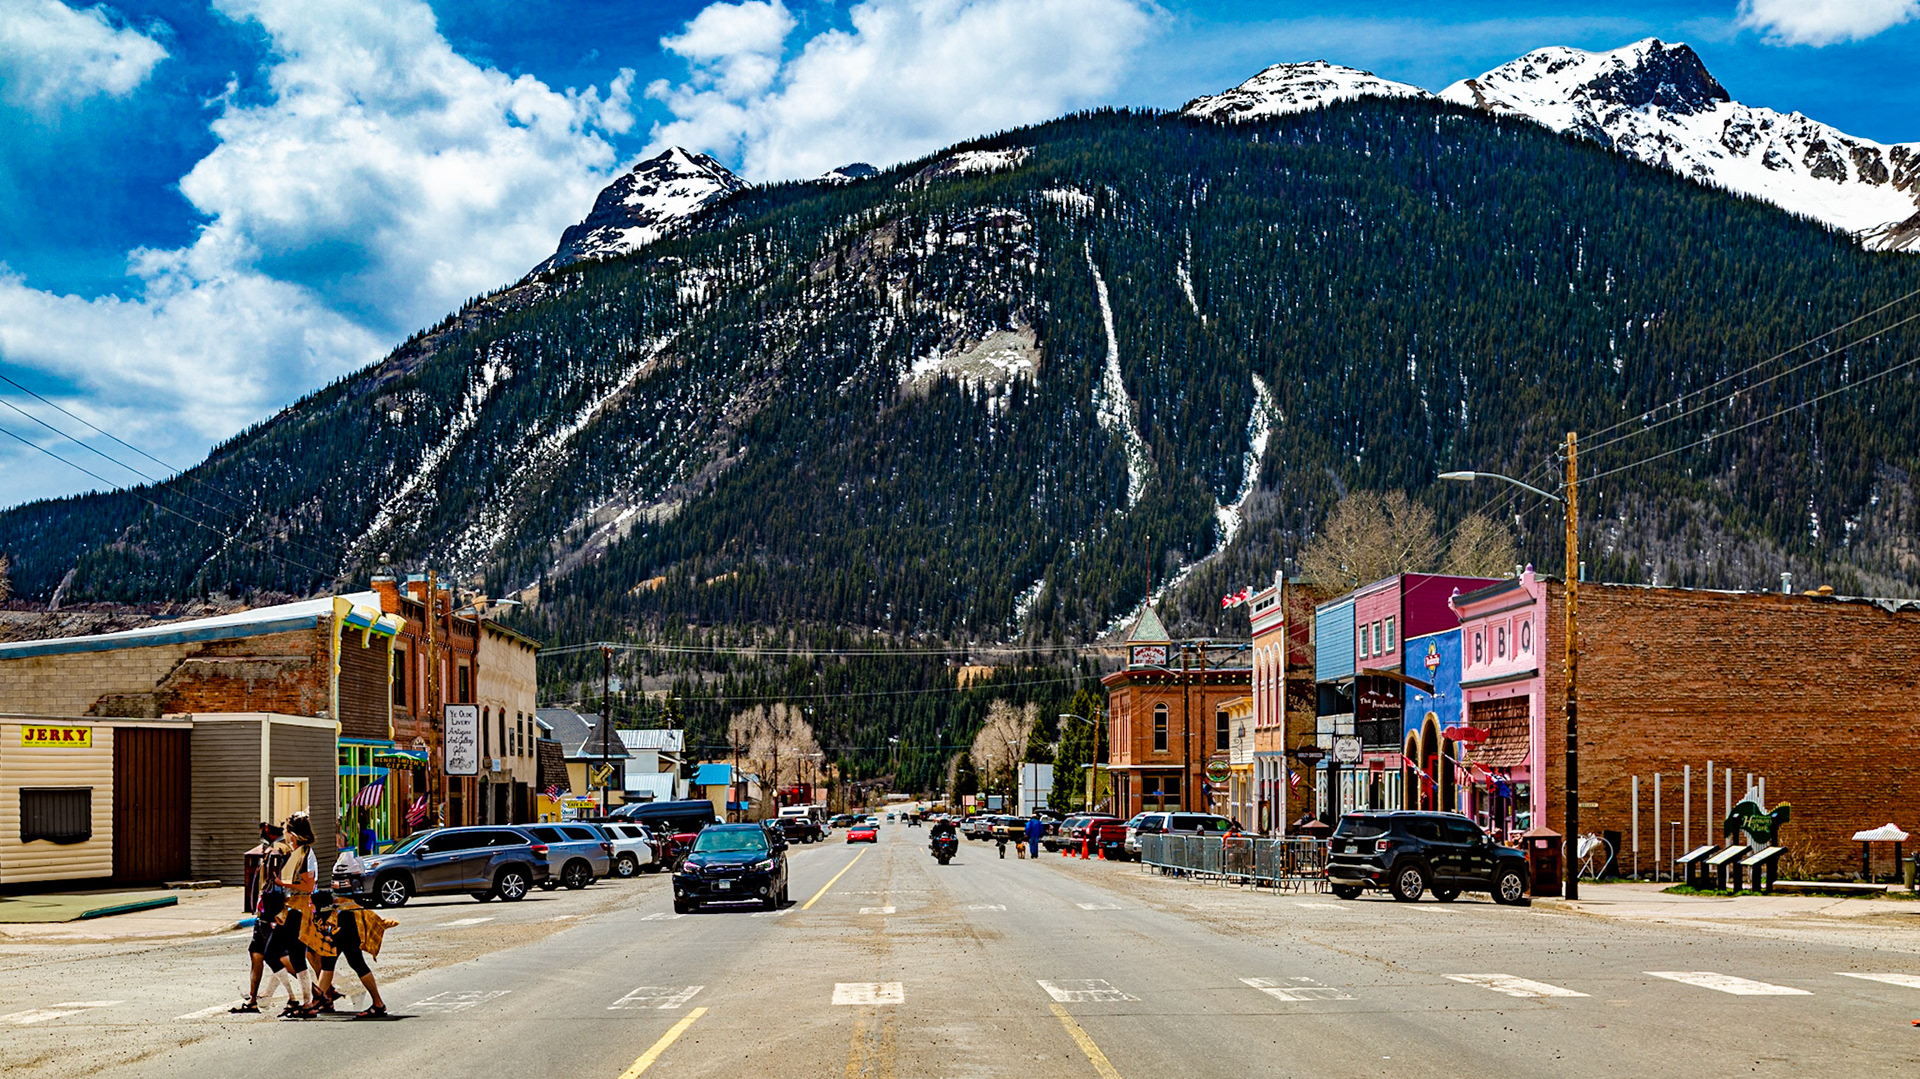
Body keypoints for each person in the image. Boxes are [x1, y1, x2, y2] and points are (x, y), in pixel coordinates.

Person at [300, 889, 396, 1019]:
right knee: (356, 963)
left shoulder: (332, 913)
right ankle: (378, 1004)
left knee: (331, 963)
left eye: (312, 904)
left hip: (344, 923)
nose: (310, 906)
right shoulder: (334, 907)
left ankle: (318, 1002)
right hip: (348, 920)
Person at [230, 823, 290, 1013]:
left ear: (270, 833)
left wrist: (273, 912)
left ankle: (320, 991)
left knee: (282, 958)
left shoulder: (277, 852)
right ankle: (253, 999)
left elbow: (274, 883)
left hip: (270, 912)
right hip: (263, 913)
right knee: (256, 954)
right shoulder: (273, 851)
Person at [264, 813, 319, 1018]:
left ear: (293, 834)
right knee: (297, 957)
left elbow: (308, 885)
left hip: (297, 911)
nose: (284, 834)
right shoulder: (297, 852)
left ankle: (297, 999)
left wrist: (282, 884)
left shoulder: (305, 855)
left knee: (271, 953)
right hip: (292, 910)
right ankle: (307, 1002)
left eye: (286, 830)